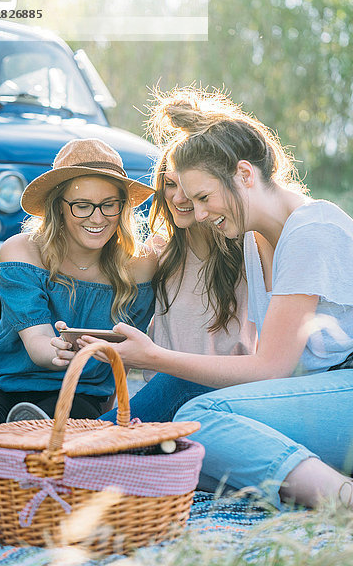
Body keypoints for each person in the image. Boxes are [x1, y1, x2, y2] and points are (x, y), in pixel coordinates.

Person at [79, 88, 353, 510]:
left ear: (245, 175)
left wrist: (152, 357)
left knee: (202, 421)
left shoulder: (312, 229)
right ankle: (82, 451)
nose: (198, 215)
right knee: (182, 450)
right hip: (323, 395)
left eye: (203, 198)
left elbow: (270, 368)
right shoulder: (255, 239)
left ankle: (350, 502)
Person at [0, 138, 155, 424]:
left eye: (109, 205)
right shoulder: (24, 251)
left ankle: (32, 432)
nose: (97, 217)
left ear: (123, 207)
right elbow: (38, 342)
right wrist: (56, 349)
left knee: (68, 420)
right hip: (1, 382)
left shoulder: (139, 266)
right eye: (82, 205)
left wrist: (110, 406)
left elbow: (125, 354)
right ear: (59, 207)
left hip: (79, 391)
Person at [85, 153, 256, 423]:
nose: (177, 198)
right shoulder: (158, 255)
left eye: (187, 186)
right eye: (170, 184)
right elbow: (131, 326)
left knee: (176, 382)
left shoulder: (249, 250)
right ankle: (88, 432)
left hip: (226, 393)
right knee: (168, 384)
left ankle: (82, 437)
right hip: (164, 395)